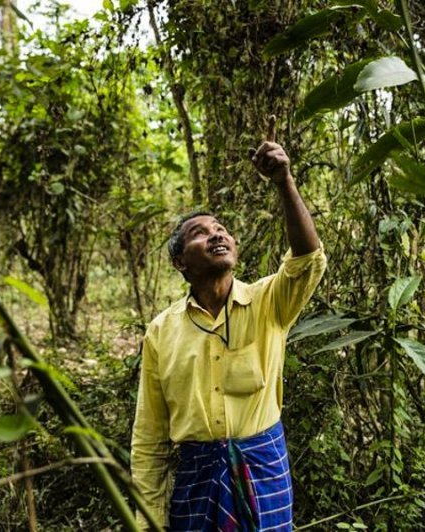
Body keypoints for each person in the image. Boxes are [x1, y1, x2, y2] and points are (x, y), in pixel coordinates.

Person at [131, 118, 326, 531]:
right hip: (197, 478)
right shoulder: (161, 332)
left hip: (262, 469)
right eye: (200, 234)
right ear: (180, 262)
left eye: (221, 229)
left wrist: (284, 181)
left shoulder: (268, 302)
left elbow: (308, 260)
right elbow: (150, 437)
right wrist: (147, 520)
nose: (217, 235)